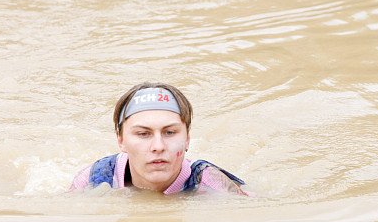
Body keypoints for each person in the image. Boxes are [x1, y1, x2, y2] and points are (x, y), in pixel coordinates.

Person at [70, 82, 250, 195]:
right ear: (121, 141)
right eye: (143, 134)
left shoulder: (212, 184)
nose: (158, 146)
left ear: (187, 139)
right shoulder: (93, 180)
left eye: (169, 133)